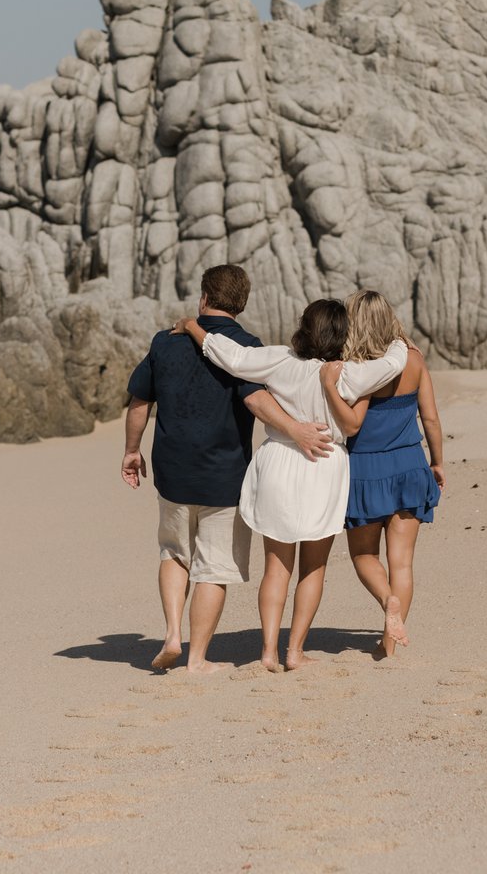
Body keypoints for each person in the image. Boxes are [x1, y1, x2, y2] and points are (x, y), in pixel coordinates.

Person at [123, 265, 332, 675]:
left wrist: (131, 451)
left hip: (172, 472)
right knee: (213, 568)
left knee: (174, 553)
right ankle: (197, 658)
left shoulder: (165, 343)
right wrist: (296, 430)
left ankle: (170, 633)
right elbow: (256, 402)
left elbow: (138, 404)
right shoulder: (248, 348)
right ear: (242, 303)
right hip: (224, 477)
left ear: (204, 297)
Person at [175, 302, 407, 672]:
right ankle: (294, 652)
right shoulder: (349, 373)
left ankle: (268, 651)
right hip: (324, 466)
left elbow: (228, 356)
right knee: (312, 568)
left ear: (304, 328)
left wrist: (191, 326)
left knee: (275, 568)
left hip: (280, 463)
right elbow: (395, 363)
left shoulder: (281, 360)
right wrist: (397, 338)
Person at [320, 289, 444, 660]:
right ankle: (389, 644)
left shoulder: (354, 369)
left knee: (363, 555)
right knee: (402, 562)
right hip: (409, 465)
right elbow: (432, 418)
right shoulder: (414, 360)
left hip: (365, 471)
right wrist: (437, 462)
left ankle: (387, 600)